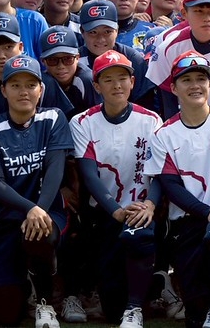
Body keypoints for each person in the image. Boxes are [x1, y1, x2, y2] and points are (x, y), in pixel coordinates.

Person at [0, 54, 72, 328]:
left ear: (41, 89)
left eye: (30, 84)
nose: (23, 91)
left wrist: (40, 209)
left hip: (46, 213)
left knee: (41, 234)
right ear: (3, 90)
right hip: (3, 220)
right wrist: (30, 208)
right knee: (6, 315)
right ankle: (24, 285)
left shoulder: (53, 118)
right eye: (15, 85)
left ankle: (45, 302)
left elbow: (55, 170)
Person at [145, 51, 210, 328]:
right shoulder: (163, 134)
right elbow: (170, 185)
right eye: (186, 79)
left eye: (201, 79)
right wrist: (207, 212)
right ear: (173, 87)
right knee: (195, 313)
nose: (195, 85)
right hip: (189, 221)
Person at [70, 50, 162, 328]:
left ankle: (144, 297)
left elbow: (159, 174)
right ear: (96, 86)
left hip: (143, 211)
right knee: (112, 309)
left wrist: (149, 205)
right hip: (107, 213)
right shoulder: (82, 121)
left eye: (123, 78)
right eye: (108, 80)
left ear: (133, 82)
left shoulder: (151, 120)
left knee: (139, 244)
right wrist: (116, 211)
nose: (117, 85)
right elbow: (88, 174)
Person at [0, 13, 72, 137]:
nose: (1, 55)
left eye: (8, 47)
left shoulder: (44, 83)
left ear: (21, 47)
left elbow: (63, 127)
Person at [39, 26, 96, 117]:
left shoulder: (87, 80)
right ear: (43, 61)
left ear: (77, 58)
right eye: (52, 60)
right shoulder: (42, 83)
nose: (61, 66)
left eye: (67, 59)